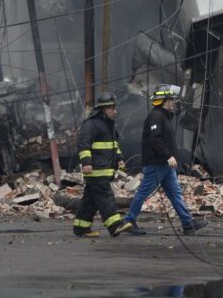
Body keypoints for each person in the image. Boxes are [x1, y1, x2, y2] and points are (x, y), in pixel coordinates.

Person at [124, 84, 208, 236]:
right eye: (171, 99)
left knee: (176, 194)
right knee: (143, 193)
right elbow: (155, 140)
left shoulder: (164, 116)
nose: (174, 102)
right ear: (164, 101)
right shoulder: (156, 116)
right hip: (157, 164)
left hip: (165, 166)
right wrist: (168, 156)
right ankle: (129, 221)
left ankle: (188, 224)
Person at [73, 92, 133, 238]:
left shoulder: (109, 125)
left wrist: (120, 158)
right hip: (96, 171)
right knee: (106, 197)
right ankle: (115, 225)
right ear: (103, 109)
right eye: (111, 108)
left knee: (90, 200)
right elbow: (83, 145)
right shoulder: (91, 124)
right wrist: (86, 163)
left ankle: (81, 227)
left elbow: (113, 146)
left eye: (115, 108)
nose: (115, 111)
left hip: (105, 169)